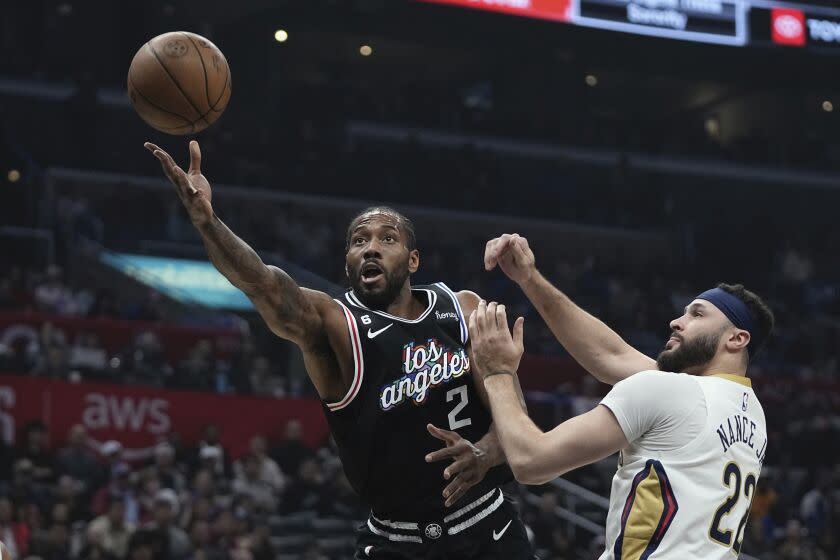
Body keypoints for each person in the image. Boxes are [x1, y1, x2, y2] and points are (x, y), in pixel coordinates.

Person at [144, 141, 533, 559]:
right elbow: (262, 283)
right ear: (348, 261)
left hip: (485, 527)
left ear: (413, 260)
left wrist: (484, 453)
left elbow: (516, 420)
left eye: (388, 238)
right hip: (394, 541)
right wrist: (208, 222)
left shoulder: (464, 308)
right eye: (359, 240)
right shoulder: (334, 325)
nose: (371, 247)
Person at [469, 233, 773, 559]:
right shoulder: (751, 412)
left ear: (737, 338)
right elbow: (610, 355)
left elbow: (531, 462)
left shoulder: (668, 391)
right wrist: (530, 279)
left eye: (697, 314)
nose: (676, 321)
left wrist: (497, 372)